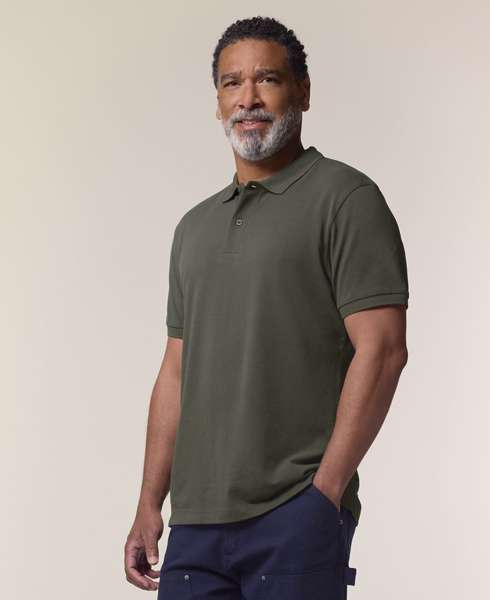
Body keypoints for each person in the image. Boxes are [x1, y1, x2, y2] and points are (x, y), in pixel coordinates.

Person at [124, 16, 409, 599]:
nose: (248, 98)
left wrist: (325, 491)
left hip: (294, 510)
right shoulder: (194, 228)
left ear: (302, 91)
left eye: (268, 79)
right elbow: (176, 370)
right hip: (195, 524)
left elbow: (382, 350)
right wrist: (150, 502)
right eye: (232, 83)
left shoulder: (345, 198)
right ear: (217, 102)